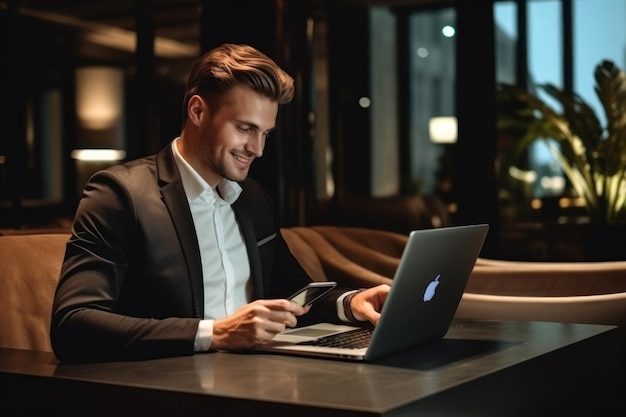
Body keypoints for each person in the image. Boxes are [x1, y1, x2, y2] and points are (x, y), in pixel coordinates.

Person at [50, 43, 390, 363]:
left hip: (259, 380)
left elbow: (293, 293)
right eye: (245, 128)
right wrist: (216, 333)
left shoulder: (253, 197)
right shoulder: (119, 194)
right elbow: (73, 325)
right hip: (168, 388)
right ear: (197, 110)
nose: (257, 149)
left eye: (265, 134)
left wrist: (351, 303)